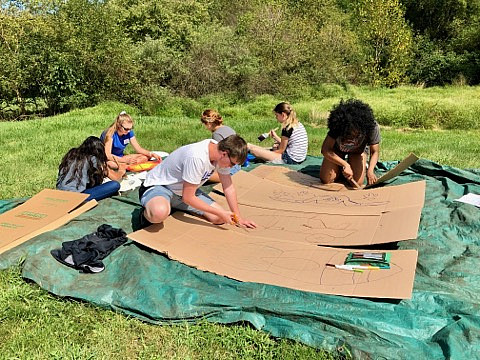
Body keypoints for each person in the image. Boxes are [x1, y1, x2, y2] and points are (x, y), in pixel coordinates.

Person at [138, 135, 257, 229]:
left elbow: (228, 187)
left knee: (220, 219)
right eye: (232, 164)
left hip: (183, 192)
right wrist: (221, 213)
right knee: (158, 213)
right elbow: (188, 198)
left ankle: (177, 207)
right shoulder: (197, 157)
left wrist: (238, 217)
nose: (231, 167)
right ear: (224, 153)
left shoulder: (220, 154)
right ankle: (146, 214)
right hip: (161, 187)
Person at [319, 99, 381, 187]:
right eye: (347, 134)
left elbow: (375, 151)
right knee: (327, 179)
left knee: (357, 182)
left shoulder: (372, 127)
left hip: (358, 152)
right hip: (337, 151)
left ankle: (361, 165)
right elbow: (325, 149)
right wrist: (345, 164)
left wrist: (370, 171)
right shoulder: (338, 124)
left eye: (355, 133)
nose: (351, 137)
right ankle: (340, 166)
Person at [101, 111, 161, 180]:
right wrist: (124, 160)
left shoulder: (129, 133)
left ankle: (126, 166)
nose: (128, 131)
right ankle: (127, 166)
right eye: (126, 129)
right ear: (118, 125)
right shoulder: (110, 134)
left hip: (121, 157)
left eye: (130, 128)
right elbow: (107, 155)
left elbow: (138, 149)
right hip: (111, 159)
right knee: (110, 164)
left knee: (145, 157)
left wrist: (151, 154)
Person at [56, 136, 120, 201]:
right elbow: (108, 177)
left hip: (60, 192)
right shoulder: (93, 159)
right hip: (77, 197)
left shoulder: (71, 154)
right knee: (115, 185)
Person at [200, 109, 241, 182]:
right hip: (237, 163)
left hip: (230, 168)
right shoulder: (228, 128)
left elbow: (219, 156)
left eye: (205, 124)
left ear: (208, 123)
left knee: (202, 175)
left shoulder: (216, 134)